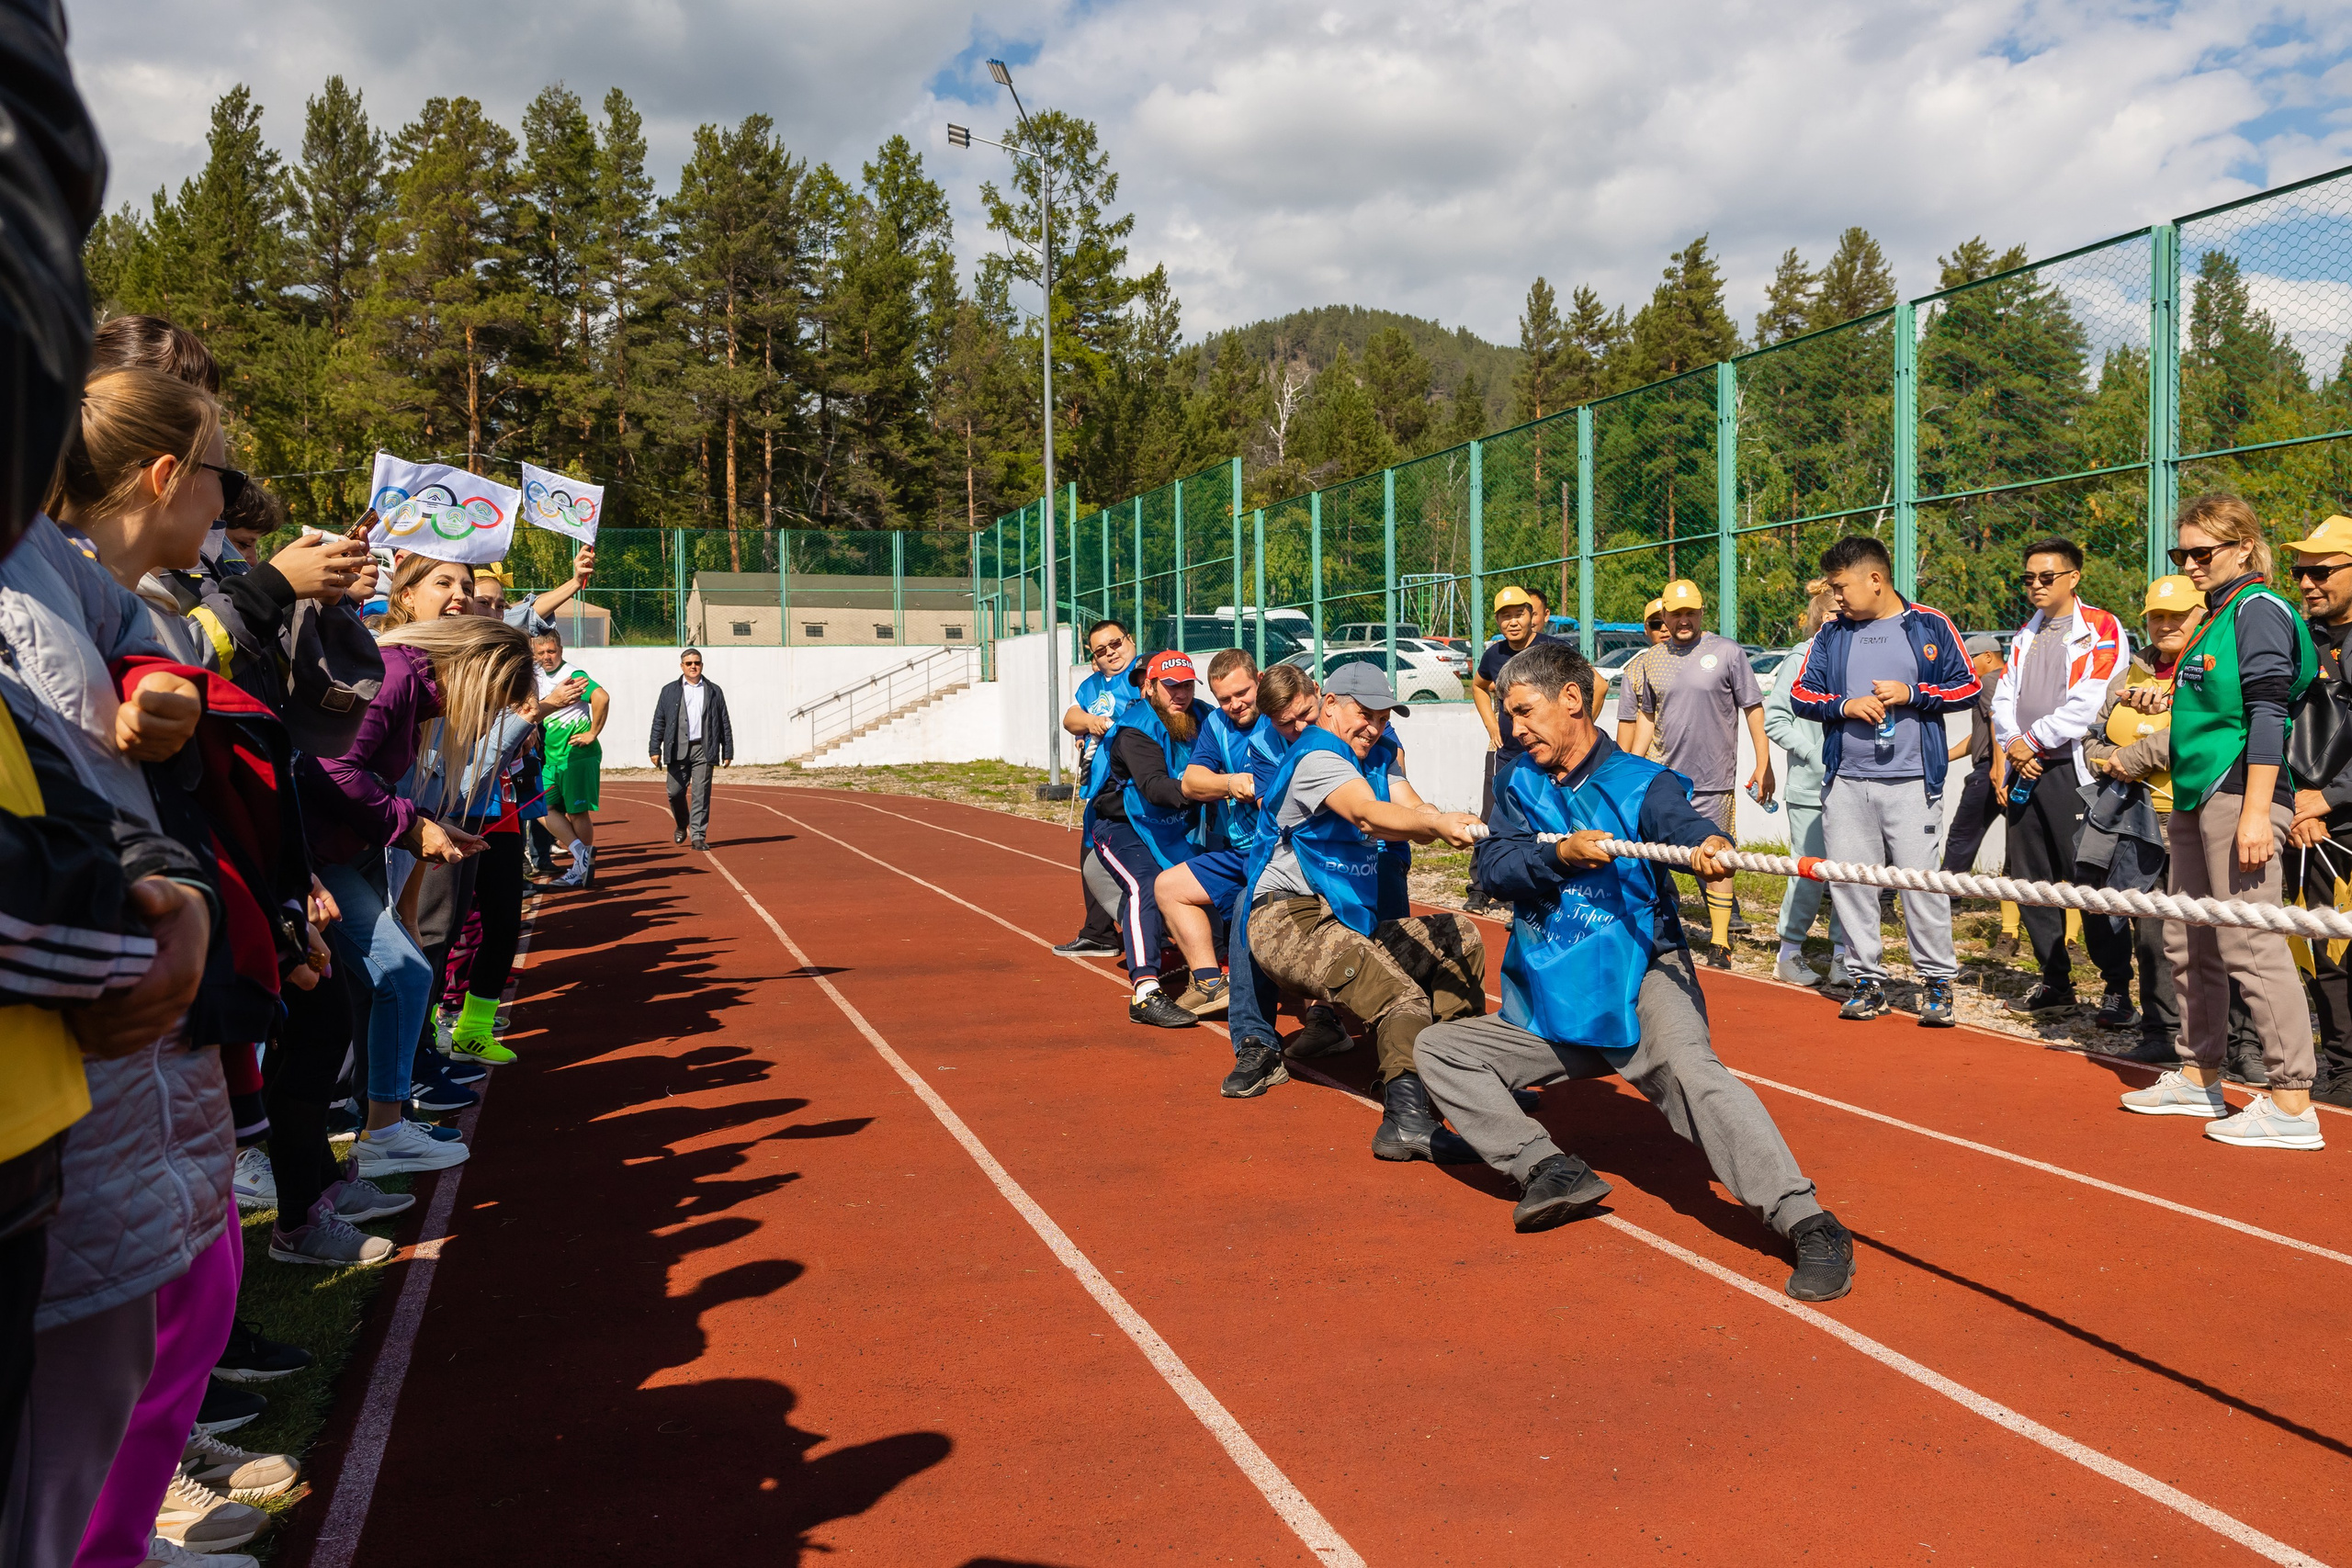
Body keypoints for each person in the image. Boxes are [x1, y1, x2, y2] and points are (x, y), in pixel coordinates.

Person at [1412, 641, 1857, 1301]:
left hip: (1639, 977)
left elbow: (1681, 826)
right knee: (1440, 1049)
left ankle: (1807, 1219)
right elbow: (1491, 869)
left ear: (1571, 700)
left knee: (1693, 1073)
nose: (1515, 728)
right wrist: (1559, 855)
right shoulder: (1517, 781)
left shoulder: (1640, 782)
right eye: (1509, 716)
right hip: (1554, 993)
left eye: (1525, 712)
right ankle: (1549, 1169)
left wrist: (1710, 846)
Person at [2120, 494, 2323, 1149]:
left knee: (2250, 940)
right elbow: (2215, 697)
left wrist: (2259, 812)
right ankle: (2199, 1071)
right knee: (2188, 938)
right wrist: (2167, 693)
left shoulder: (2258, 609)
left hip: (2239, 790)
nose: (2190, 563)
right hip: (2194, 791)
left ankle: (2292, 1101)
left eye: (2202, 552)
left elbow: (2267, 713)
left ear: (2242, 546)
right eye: (2181, 553)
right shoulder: (2216, 617)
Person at [1242, 662, 1487, 1160]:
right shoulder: (1318, 757)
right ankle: (1404, 1121)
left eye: (1381, 716)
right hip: (1289, 918)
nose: (1373, 726)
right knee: (1401, 996)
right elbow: (1366, 812)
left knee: (1457, 935)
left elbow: (1408, 806)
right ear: (1328, 703)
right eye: (1363, 713)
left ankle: (1462, 1084)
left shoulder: (1372, 756)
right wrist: (1438, 825)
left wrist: (1443, 819)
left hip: (1341, 918)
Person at [1785, 535, 1981, 1027]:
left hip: (1913, 780)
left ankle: (1937, 983)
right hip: (1846, 781)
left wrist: (1913, 693)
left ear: (1876, 579)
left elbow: (1967, 687)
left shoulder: (1929, 624)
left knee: (1920, 884)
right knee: (1852, 884)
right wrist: (1845, 706)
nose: (1836, 597)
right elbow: (1801, 695)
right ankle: (1866, 981)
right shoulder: (1832, 634)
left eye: (1841, 586)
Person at [2082, 575, 2256, 1071]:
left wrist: (2132, 756)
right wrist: (2109, 760)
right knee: (2153, 935)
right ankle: (2162, 1030)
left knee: (2224, 931)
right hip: (2137, 821)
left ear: (2202, 616)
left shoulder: (2214, 668)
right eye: (2157, 617)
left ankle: (2242, 1042)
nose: (2165, 626)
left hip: (2203, 814)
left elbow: (2199, 733)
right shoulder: (2128, 677)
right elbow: (2091, 738)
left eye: (2177, 616)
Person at [1988, 537, 2138, 1021]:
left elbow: (2092, 700)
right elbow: (2002, 700)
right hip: (2025, 767)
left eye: (2046, 577)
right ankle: (2055, 980)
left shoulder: (2102, 627)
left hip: (2073, 771)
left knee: (2089, 881)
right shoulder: (2023, 635)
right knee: (2030, 879)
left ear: (2073, 577)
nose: (2035, 585)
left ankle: (2117, 988)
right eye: (2028, 578)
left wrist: (2031, 741)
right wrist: (2015, 745)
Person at [1625, 578, 1774, 967]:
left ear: (1702, 612)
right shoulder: (1651, 660)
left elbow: (1753, 707)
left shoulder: (1726, 652)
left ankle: (1720, 941)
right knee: (1655, 857)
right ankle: (1657, 931)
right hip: (1664, 781)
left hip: (1715, 780)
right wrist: (1630, 767)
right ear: (1665, 616)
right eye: (1676, 614)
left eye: (1691, 611)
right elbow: (1646, 716)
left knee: (1717, 854)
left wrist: (1764, 762)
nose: (1683, 619)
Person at [1214, 664, 1325, 1098]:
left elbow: (1393, 790)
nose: (1297, 729)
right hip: (1295, 853)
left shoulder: (1358, 725)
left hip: (1359, 852)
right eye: (1285, 723)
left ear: (1323, 697)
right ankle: (1255, 1040)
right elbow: (1285, 812)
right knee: (1247, 905)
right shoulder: (1262, 742)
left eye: (1306, 717)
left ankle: (1431, 1054)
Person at [1090, 652, 1215, 1027]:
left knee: (1218, 875)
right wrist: (1220, 787)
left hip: (1174, 823)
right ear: (1150, 686)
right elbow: (1156, 788)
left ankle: (1213, 970)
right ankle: (1145, 992)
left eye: (1187, 685)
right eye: (1171, 686)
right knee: (1147, 884)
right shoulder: (1136, 728)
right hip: (1121, 825)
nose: (1180, 694)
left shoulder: (1205, 715)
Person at [1154, 649, 1266, 1015]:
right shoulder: (1217, 725)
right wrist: (1232, 782)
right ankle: (1208, 982)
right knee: (1168, 887)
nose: (1235, 705)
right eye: (1224, 699)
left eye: (1242, 693)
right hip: (1240, 852)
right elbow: (1193, 780)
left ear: (1260, 681)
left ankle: (1321, 1017)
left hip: (1283, 852)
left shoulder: (1282, 717)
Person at [2286, 514, 2352, 1108]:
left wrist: (2327, 799)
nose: (2307, 582)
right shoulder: (2301, 639)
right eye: (2301, 570)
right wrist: (2300, 802)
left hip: (2337, 818)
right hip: (2308, 826)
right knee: (2321, 952)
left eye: (2322, 569)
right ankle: (2341, 1066)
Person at [1760, 581, 1846, 987]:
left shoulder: (1860, 656)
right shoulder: (1801, 658)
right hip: (1811, 787)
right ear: (1818, 618)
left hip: (1855, 788)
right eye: (1832, 613)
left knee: (1851, 875)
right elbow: (1775, 718)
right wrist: (1815, 755)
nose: (1840, 620)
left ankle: (1845, 956)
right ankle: (1789, 952)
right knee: (1809, 872)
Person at [1468, 586, 1569, 913]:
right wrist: (1491, 724)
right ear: (1498, 620)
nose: (1512, 622)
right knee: (1493, 819)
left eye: (1519, 614)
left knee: (1543, 823)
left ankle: (1534, 894)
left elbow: (1592, 684)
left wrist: (1572, 729)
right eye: (1505, 616)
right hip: (1510, 755)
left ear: (1532, 616)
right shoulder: (1494, 655)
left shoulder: (1553, 649)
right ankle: (1480, 888)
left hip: (1547, 757)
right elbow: (1479, 686)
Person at [1057, 618, 1142, 956]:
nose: (1111, 653)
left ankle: (1154, 930)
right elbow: (1070, 718)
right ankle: (1099, 931)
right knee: (1089, 853)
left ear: (1129, 639)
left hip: (1134, 781)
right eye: (1101, 650)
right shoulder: (1092, 686)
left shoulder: (1143, 674)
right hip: (1099, 783)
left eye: (1116, 644)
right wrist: (1089, 725)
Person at [531, 629, 607, 888]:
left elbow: (601, 697)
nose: (546, 657)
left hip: (576, 755)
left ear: (560, 651)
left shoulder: (573, 675)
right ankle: (581, 854)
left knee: (577, 812)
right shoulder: (537, 674)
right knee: (539, 805)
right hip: (552, 757)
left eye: (551, 651)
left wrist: (592, 733)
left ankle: (580, 868)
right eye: (541, 652)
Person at [650, 648, 733, 850]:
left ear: (702, 665)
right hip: (677, 748)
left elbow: (724, 721)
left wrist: (727, 750)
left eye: (697, 663)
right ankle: (681, 823)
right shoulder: (669, 690)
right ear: (682, 666)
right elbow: (659, 721)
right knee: (674, 792)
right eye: (689, 663)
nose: (693, 666)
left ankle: (698, 836)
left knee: (701, 793)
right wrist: (655, 748)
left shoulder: (714, 690)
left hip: (704, 748)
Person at [1613, 597, 1668, 752]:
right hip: (1650, 762)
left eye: (1667, 621)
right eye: (1656, 624)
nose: (1664, 628)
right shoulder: (1634, 669)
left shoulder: (1693, 661)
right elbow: (1627, 722)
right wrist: (1623, 764)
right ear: (1646, 628)